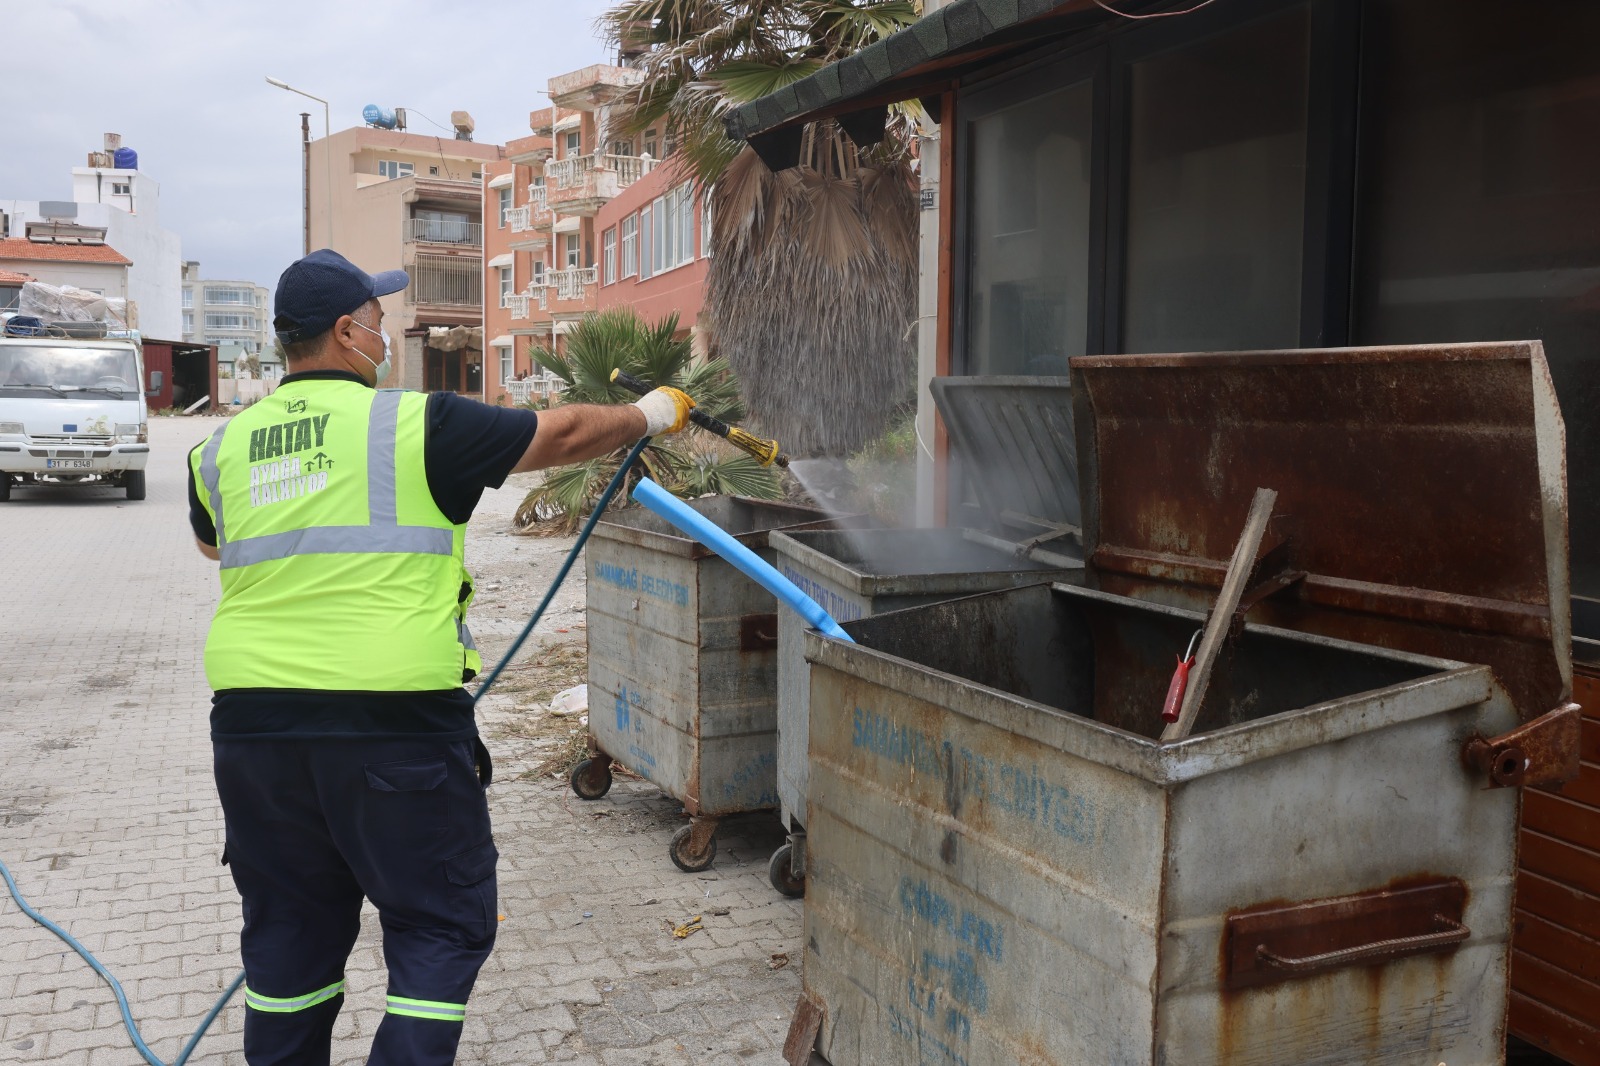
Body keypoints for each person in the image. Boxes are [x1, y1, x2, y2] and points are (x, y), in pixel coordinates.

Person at [187, 249, 694, 1066]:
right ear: (347, 332)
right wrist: (649, 415)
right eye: (378, 321)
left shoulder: (219, 449)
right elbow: (559, 432)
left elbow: (217, 546)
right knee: (438, 926)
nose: (385, 335)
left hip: (254, 735)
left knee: (288, 935)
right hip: (394, 732)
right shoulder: (417, 424)